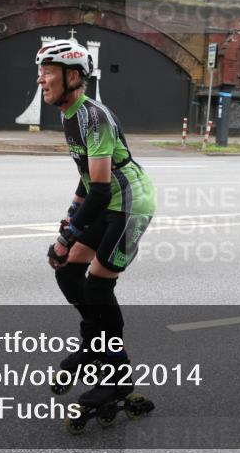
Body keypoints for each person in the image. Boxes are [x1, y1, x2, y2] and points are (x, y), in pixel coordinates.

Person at [36, 39, 157, 410]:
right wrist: (69, 223)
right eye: (40, 72)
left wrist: (68, 235)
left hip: (129, 205)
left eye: (47, 71)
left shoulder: (94, 116)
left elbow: (101, 190)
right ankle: (93, 347)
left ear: (72, 76)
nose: (41, 79)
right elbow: (85, 180)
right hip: (105, 201)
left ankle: (116, 379)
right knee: (67, 271)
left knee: (98, 287)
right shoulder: (68, 113)